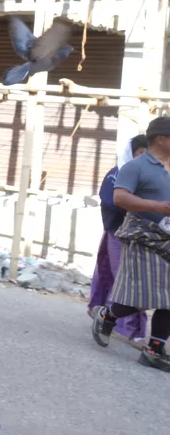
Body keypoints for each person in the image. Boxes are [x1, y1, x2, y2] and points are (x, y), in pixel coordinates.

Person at [92, 116, 170, 372]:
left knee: (168, 297)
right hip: (142, 236)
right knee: (146, 297)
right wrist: (156, 206)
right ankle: (107, 315)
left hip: (168, 237)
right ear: (161, 139)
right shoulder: (136, 167)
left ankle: (154, 350)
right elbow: (120, 197)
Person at [87, 134, 149, 341]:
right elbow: (111, 202)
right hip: (119, 233)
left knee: (135, 281)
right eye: (140, 153)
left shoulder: (153, 176)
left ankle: (116, 321)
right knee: (126, 279)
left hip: (147, 237)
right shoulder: (116, 174)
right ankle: (129, 328)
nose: (143, 158)